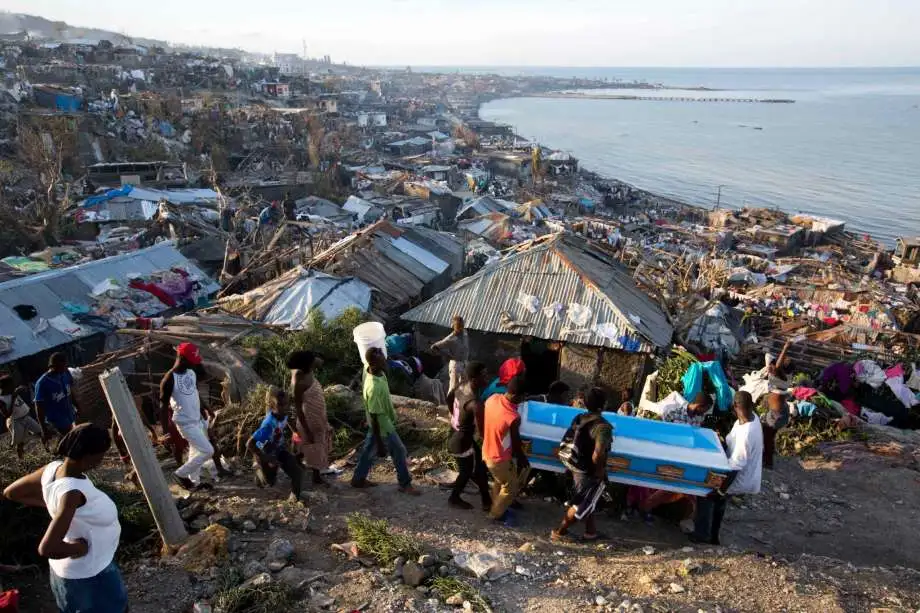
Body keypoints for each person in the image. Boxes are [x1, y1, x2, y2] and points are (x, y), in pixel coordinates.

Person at [3, 424, 128, 613]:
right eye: (101, 455)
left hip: (81, 571)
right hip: (89, 576)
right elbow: (48, 548)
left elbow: (11, 492)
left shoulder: (53, 469)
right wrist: (80, 548)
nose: (101, 460)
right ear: (87, 455)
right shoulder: (72, 493)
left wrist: (54, 506)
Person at [691, 391, 763, 545]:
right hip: (739, 470)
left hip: (739, 477)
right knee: (719, 502)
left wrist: (720, 489)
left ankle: (702, 534)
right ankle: (713, 537)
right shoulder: (751, 418)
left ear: (735, 406)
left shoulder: (747, 434)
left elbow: (736, 467)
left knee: (707, 494)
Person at [351, 347, 420, 495]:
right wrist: (381, 444)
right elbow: (375, 417)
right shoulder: (374, 388)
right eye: (383, 361)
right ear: (375, 364)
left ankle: (358, 478)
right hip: (382, 425)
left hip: (381, 421)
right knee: (399, 450)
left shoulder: (374, 371)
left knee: (368, 451)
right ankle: (405, 483)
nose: (386, 362)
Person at [552, 388, 612, 541]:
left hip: (574, 463)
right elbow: (597, 454)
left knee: (588, 498)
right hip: (587, 469)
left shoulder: (580, 418)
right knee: (582, 502)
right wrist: (599, 472)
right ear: (604, 405)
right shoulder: (603, 427)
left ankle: (590, 532)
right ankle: (559, 532)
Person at [160, 342, 217, 490]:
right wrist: (165, 432)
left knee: (195, 451)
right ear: (182, 358)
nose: (195, 364)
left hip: (197, 419)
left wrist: (206, 408)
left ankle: (194, 483)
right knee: (208, 451)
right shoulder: (169, 379)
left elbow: (195, 393)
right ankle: (180, 474)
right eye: (192, 361)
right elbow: (163, 407)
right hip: (185, 423)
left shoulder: (191, 373)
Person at [483, 376, 530, 525]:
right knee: (511, 486)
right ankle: (495, 515)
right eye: (522, 397)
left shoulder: (492, 399)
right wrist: (522, 458)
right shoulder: (513, 417)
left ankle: (497, 505)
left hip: (488, 450)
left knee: (500, 481)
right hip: (499, 457)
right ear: (516, 395)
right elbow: (516, 443)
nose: (523, 400)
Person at [447, 362, 492, 511]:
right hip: (462, 441)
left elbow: (449, 398)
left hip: (454, 433)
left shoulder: (461, 386)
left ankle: (486, 499)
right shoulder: (475, 404)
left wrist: (456, 417)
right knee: (468, 471)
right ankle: (455, 498)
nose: (487, 377)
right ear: (474, 379)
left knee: (477, 468)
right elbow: (483, 432)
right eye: (484, 375)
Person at [248, 387, 303, 502]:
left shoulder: (284, 414)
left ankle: (294, 498)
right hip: (266, 452)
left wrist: (296, 438)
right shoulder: (268, 425)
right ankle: (259, 472)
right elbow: (250, 444)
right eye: (280, 405)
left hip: (279, 449)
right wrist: (267, 458)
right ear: (273, 406)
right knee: (269, 482)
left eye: (286, 404)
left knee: (297, 472)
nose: (284, 407)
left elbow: (291, 425)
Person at [288, 350, 332, 487]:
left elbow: (320, 361)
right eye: (313, 359)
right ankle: (316, 477)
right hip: (309, 420)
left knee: (307, 445)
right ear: (307, 363)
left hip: (318, 416)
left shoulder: (308, 372)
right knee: (313, 446)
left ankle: (296, 465)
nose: (315, 360)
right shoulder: (299, 381)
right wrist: (306, 429)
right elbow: (298, 408)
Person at [34, 353, 81, 438]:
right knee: (70, 438)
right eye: (62, 366)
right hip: (57, 420)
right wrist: (43, 428)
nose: (65, 368)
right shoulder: (42, 383)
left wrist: (77, 406)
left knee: (73, 436)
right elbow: (39, 407)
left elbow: (70, 392)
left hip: (70, 414)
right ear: (54, 366)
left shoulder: (65, 374)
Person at [1, 375, 45, 459]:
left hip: (26, 417)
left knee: (41, 432)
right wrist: (14, 397)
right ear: (6, 387)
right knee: (19, 443)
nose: (13, 386)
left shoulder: (12, 391)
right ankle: (20, 458)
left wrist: (22, 388)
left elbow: (20, 389)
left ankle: (48, 450)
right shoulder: (2, 399)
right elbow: (6, 415)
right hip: (16, 421)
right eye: (11, 385)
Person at [430, 315, 470, 402]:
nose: (460, 328)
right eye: (458, 326)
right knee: (453, 387)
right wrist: (447, 355)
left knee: (464, 386)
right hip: (456, 364)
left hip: (464, 363)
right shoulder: (450, 338)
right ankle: (449, 405)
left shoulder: (465, 332)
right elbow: (434, 346)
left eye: (461, 326)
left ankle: (460, 404)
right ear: (454, 326)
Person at [761, 392, 790, 470]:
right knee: (770, 440)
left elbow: (772, 419)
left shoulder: (777, 404)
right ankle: (769, 455)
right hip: (776, 425)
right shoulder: (784, 404)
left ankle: (768, 463)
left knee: (768, 442)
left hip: (771, 425)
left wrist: (764, 420)